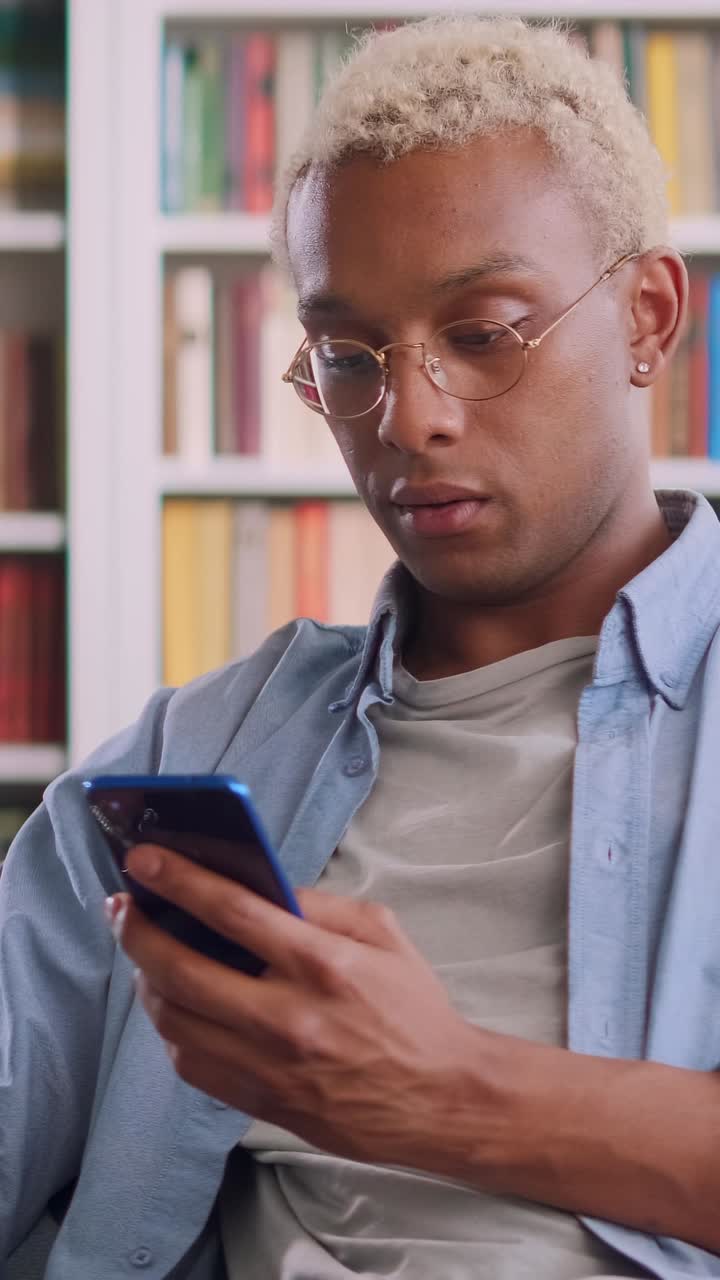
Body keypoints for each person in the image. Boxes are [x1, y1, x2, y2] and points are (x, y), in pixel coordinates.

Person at [3, 13, 720, 1280]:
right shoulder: (191, 754)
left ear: (651, 318)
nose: (410, 417)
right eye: (346, 355)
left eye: (485, 332)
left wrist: (448, 1092)